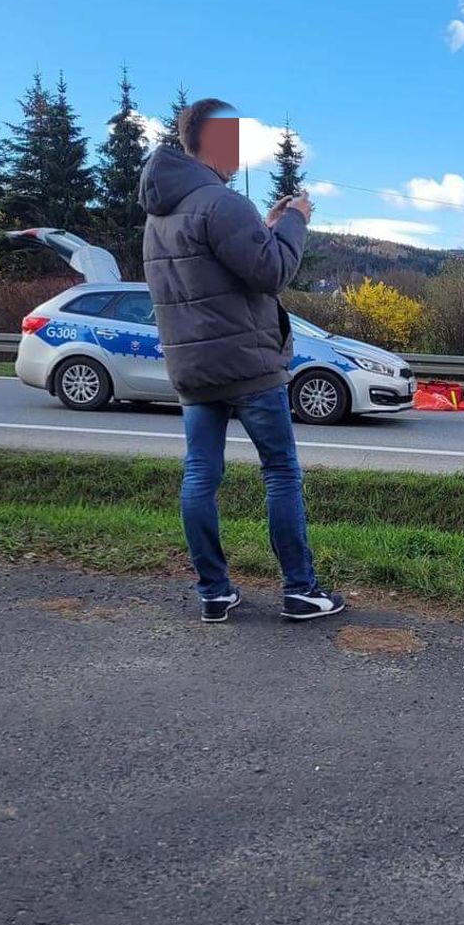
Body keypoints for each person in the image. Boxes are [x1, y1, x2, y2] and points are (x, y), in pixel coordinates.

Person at [140, 98, 344, 624]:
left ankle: (213, 591)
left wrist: (267, 223)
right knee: (279, 473)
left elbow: (230, 262)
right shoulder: (221, 202)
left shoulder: (158, 216)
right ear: (211, 141)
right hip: (248, 365)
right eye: (231, 138)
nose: (237, 150)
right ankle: (301, 590)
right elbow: (273, 271)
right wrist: (295, 221)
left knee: (200, 476)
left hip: (193, 369)